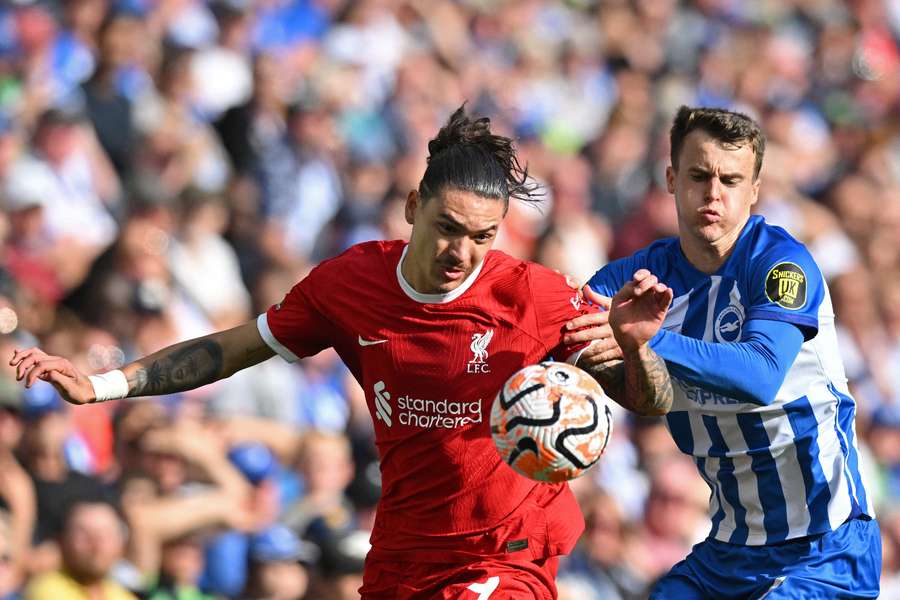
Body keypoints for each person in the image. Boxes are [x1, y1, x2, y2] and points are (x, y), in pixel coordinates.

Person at [10, 104, 673, 599]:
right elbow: (232, 348)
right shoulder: (352, 284)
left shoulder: (538, 295)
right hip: (403, 555)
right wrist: (103, 385)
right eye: (447, 228)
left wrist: (638, 349)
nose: (461, 253)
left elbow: (649, 400)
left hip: (507, 554)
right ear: (414, 206)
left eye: (483, 236)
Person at [579, 106, 881, 599]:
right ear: (672, 179)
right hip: (727, 550)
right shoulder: (639, 276)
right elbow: (570, 318)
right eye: (698, 175)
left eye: (731, 179)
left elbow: (759, 375)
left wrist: (650, 339)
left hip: (825, 550)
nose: (713, 193)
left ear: (754, 190)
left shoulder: (783, 266)